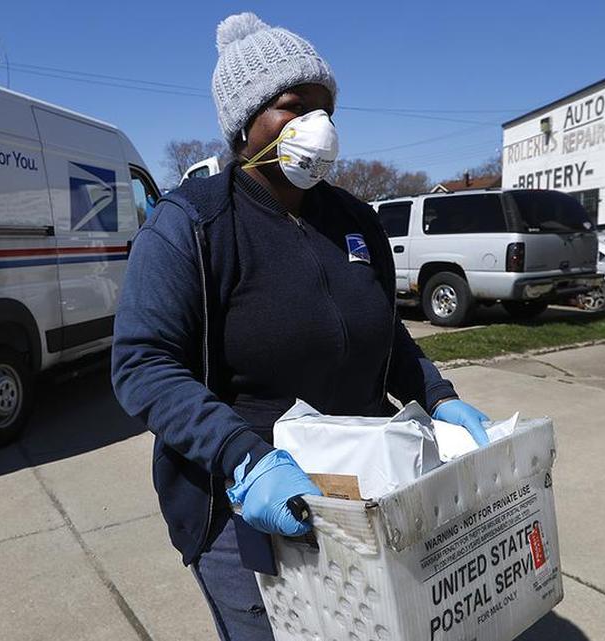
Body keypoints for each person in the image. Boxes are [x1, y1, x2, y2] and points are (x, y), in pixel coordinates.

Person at [110, 12, 493, 641]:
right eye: (294, 107)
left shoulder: (354, 220)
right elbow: (143, 364)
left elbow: (385, 334)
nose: (318, 126)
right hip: (248, 505)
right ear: (244, 123)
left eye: (326, 109)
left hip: (365, 491)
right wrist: (243, 458)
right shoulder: (192, 225)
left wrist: (438, 395)